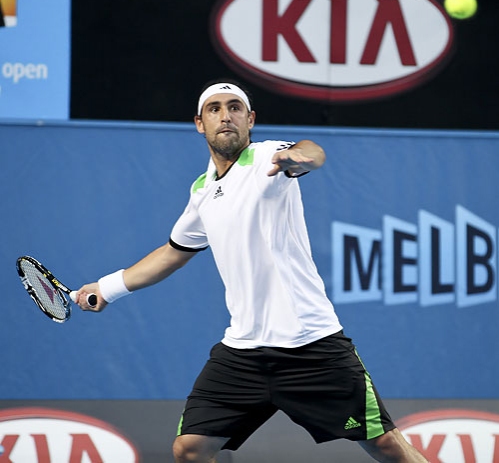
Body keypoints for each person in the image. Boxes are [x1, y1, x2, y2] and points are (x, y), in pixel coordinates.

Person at [75, 79, 428, 463]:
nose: (225, 116)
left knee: (386, 445)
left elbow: (311, 152)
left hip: (310, 343)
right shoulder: (202, 192)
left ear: (250, 119)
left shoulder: (266, 159)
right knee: (190, 449)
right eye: (214, 109)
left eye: (234, 108)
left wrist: (299, 157)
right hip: (243, 352)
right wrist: (107, 288)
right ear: (200, 124)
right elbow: (172, 254)